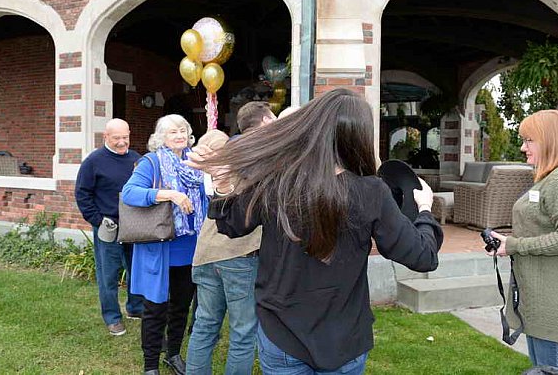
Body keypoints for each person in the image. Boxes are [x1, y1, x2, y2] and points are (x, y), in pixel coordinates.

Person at [187, 88, 443, 374]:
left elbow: (230, 223)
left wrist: (222, 188)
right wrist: (424, 209)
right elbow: (423, 255)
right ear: (357, 136)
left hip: (294, 336)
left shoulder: (277, 181)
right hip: (320, 338)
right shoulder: (369, 191)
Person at [489, 110, 558, 375]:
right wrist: (508, 243)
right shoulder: (555, 177)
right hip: (550, 308)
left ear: (551, 141)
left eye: (529, 140)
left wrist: (515, 245)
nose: (523, 147)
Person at [186, 101, 276, 375]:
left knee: (205, 325)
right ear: (262, 123)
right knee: (243, 332)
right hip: (238, 255)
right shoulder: (252, 153)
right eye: (273, 119)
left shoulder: (226, 151)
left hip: (206, 251)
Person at [122, 114, 208, 375]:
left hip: (190, 249)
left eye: (183, 130)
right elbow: (129, 193)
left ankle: (172, 354)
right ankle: (150, 366)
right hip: (159, 250)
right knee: (155, 310)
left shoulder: (196, 161)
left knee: (181, 307)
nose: (180, 135)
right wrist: (168, 194)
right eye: (173, 132)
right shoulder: (152, 162)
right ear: (161, 137)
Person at [74, 118, 143, 336]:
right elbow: (82, 193)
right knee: (108, 275)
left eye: (126, 137)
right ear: (105, 137)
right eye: (117, 139)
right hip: (108, 226)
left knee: (137, 270)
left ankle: (135, 308)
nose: (122, 143)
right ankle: (112, 318)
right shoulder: (93, 161)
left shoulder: (136, 159)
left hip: (135, 225)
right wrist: (96, 220)